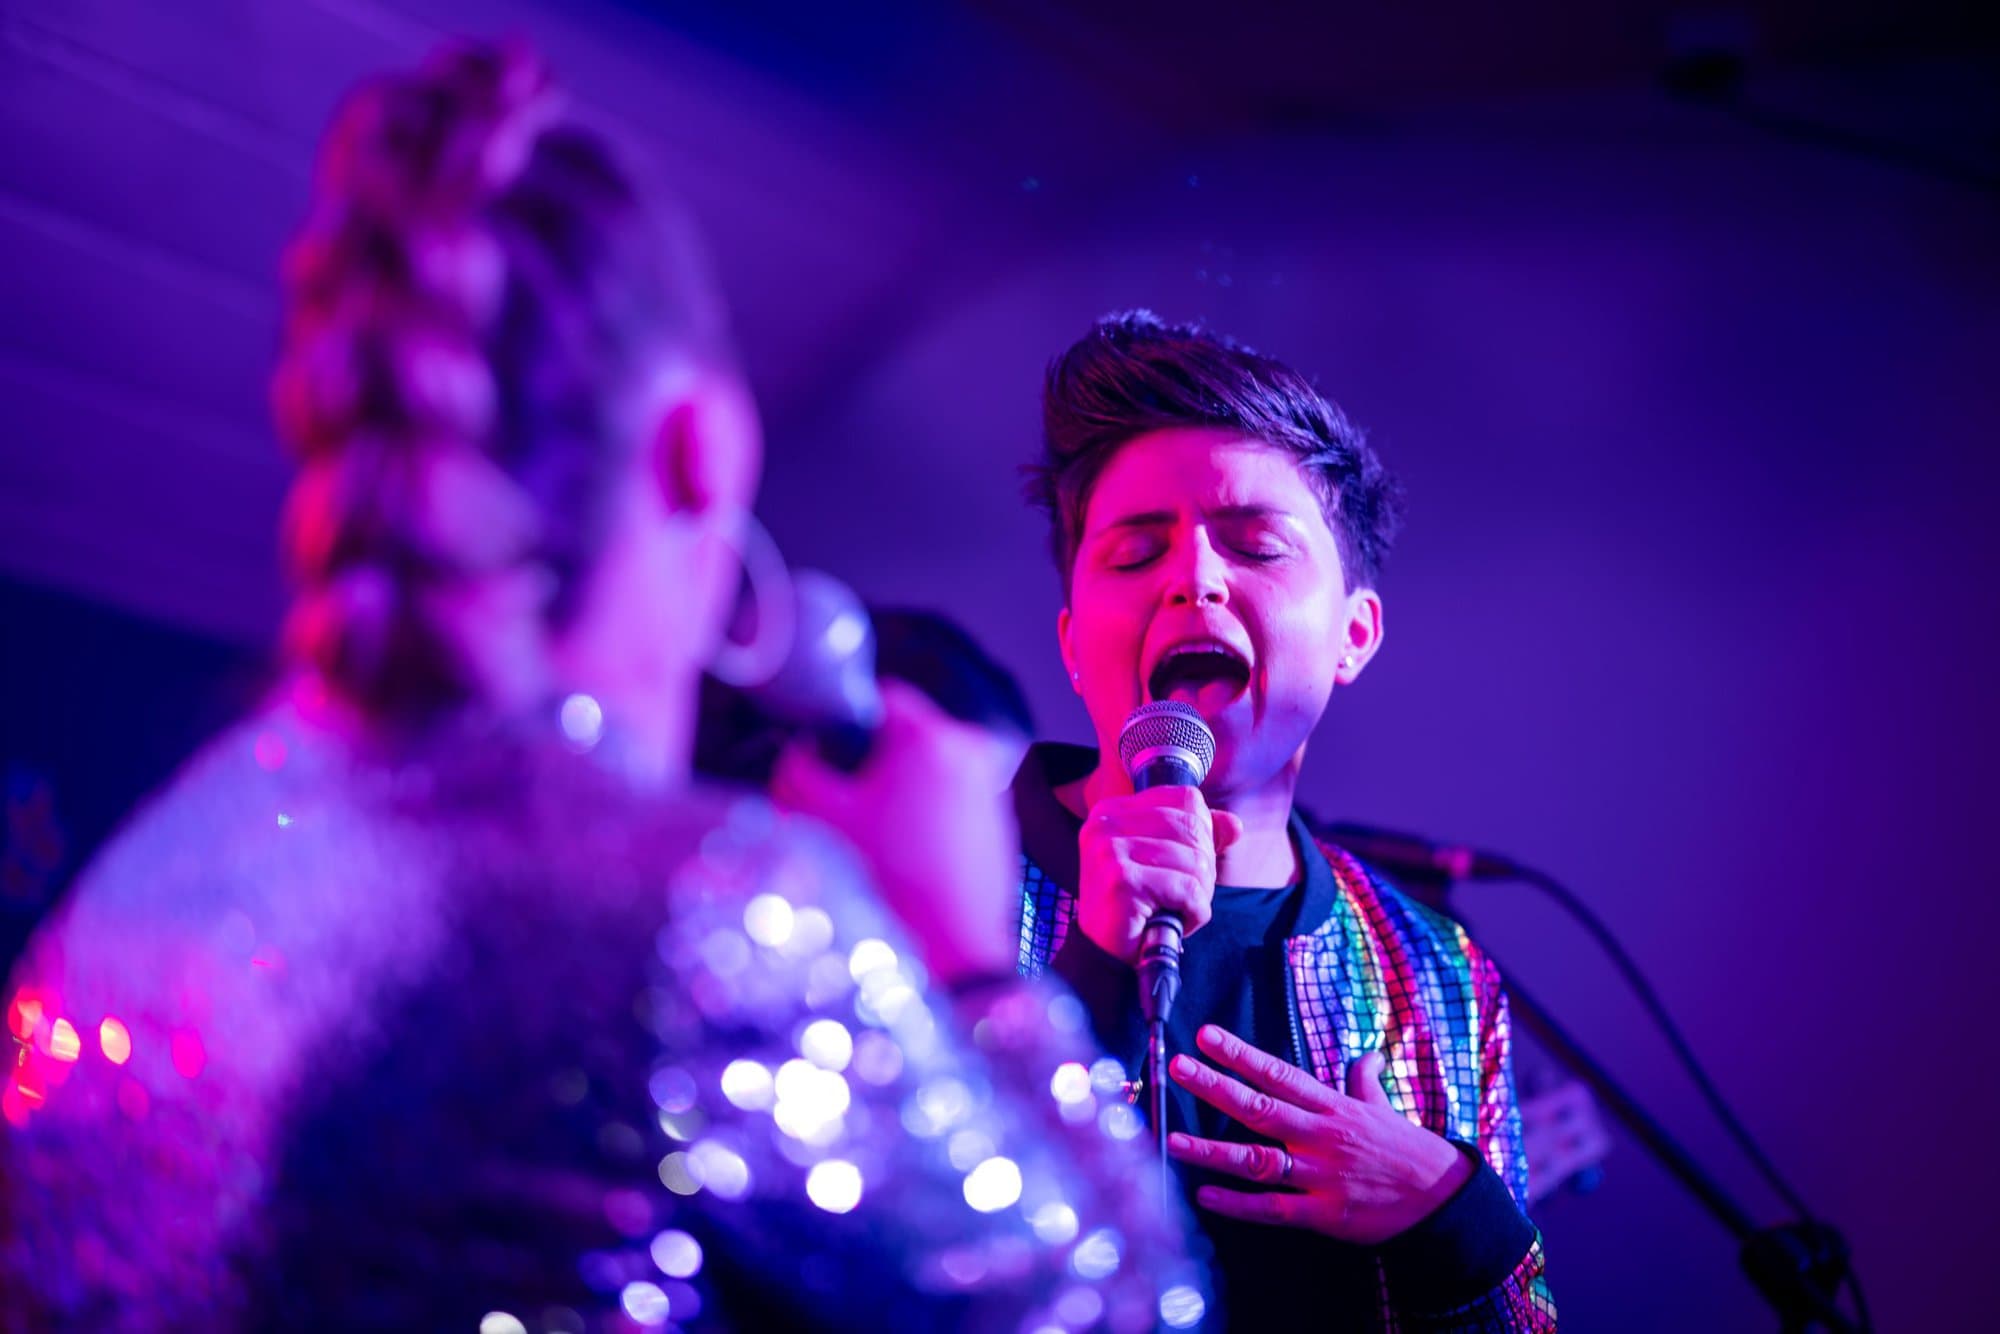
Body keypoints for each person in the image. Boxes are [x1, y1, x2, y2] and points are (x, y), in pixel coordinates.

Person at [0, 47, 1202, 1331]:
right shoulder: (715, 911)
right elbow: (1121, 1311)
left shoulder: (126, 905)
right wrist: (975, 969)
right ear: (701, 447)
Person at [1010, 312, 1556, 1329]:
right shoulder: (920, 883)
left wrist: (1451, 1217)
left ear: (1352, 633)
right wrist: (1088, 970)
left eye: (1253, 545)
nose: (1195, 579)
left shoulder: (1434, 969)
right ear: (1075, 641)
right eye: (1135, 554)